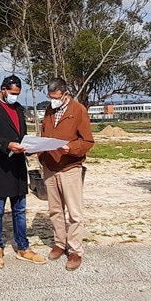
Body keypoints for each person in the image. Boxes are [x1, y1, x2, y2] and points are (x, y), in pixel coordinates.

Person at [0, 75, 46, 269]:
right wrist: (7, 144)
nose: (14, 96)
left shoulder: (18, 108)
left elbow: (22, 134)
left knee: (19, 209)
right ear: (3, 90)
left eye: (17, 93)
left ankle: (23, 247)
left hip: (17, 165)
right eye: (12, 93)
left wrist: (29, 146)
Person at [37, 77, 94, 271]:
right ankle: (60, 243)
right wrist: (39, 152)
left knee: (74, 212)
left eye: (56, 97)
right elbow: (44, 134)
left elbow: (87, 141)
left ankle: (75, 250)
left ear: (65, 94)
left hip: (70, 167)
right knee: (55, 210)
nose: (53, 101)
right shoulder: (49, 110)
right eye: (50, 97)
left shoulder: (78, 110)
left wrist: (71, 148)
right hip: (50, 167)